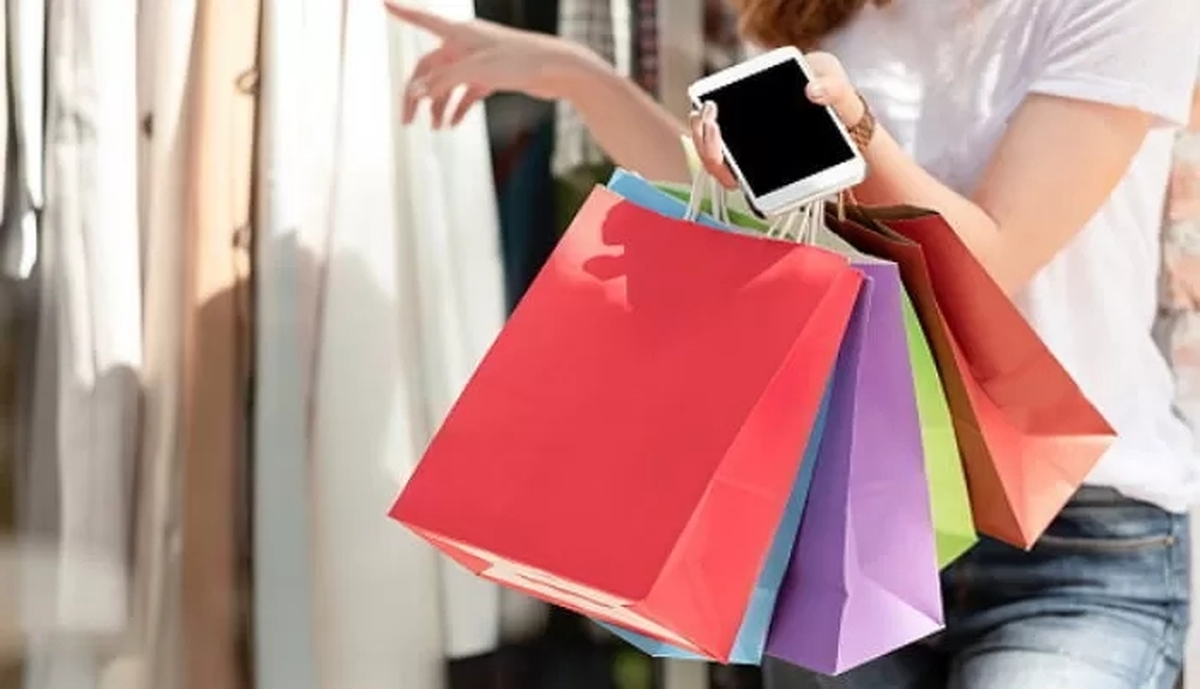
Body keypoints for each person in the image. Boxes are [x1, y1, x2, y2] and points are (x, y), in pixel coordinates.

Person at [385, 0, 1200, 686]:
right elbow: (737, 205)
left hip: (1078, 537)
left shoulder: (1125, 9)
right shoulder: (808, 13)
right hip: (847, 514)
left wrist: (854, 130)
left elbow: (991, 262)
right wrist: (574, 74)